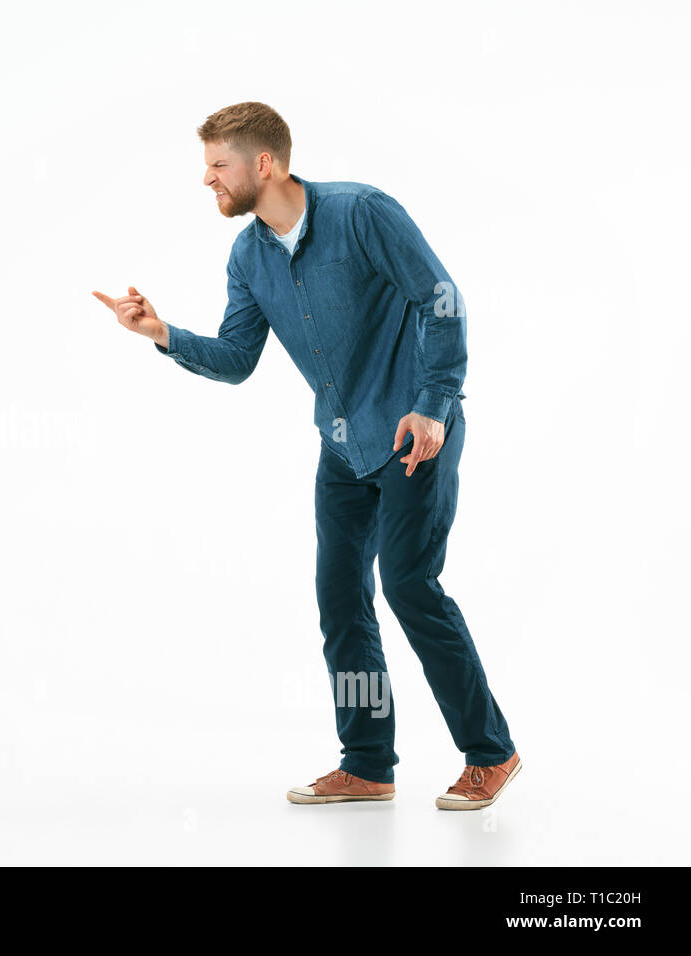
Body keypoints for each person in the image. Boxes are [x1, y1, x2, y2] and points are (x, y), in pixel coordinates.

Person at [93, 102, 521, 811]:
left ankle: (491, 752)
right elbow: (236, 360)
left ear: (264, 163)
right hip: (345, 450)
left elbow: (440, 299)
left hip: (415, 435)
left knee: (410, 587)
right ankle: (367, 762)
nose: (207, 180)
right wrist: (161, 332)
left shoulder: (362, 213)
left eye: (217, 165)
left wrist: (436, 400)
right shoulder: (248, 255)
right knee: (341, 601)